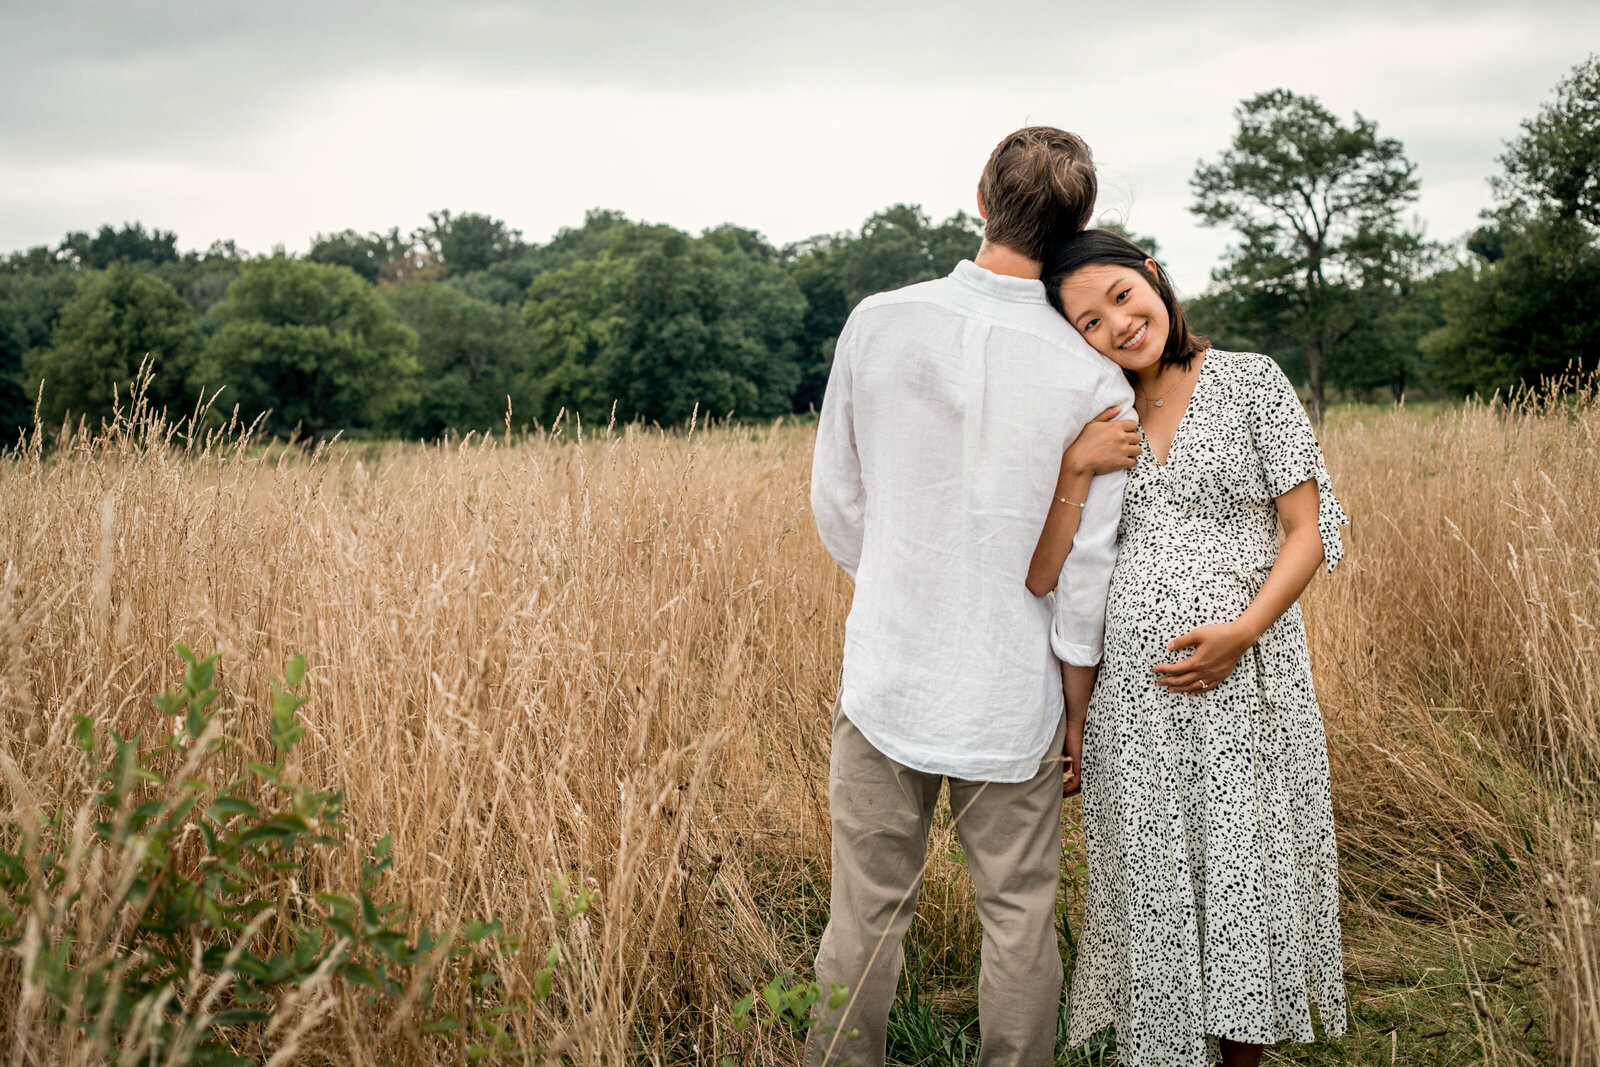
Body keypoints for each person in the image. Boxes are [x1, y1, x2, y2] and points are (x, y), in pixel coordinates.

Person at [806, 128, 1139, 1067]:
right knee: (1020, 918)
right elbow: (1086, 575)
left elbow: (838, 501)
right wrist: (1077, 705)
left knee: (863, 909)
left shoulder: (878, 320)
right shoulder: (1095, 376)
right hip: (1011, 690)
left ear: (980, 200)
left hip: (888, 673)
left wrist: (906, 582)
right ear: (1078, 227)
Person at [1032, 229, 1350, 1067]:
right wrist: (1075, 459)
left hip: (1248, 683)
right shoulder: (1099, 417)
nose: (1119, 326)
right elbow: (1054, 568)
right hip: (1134, 708)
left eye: (1122, 298)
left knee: (1245, 870)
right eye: (1090, 323)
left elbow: (1309, 530)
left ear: (1155, 278)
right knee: (1158, 880)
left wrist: (1242, 632)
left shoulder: (1250, 381)